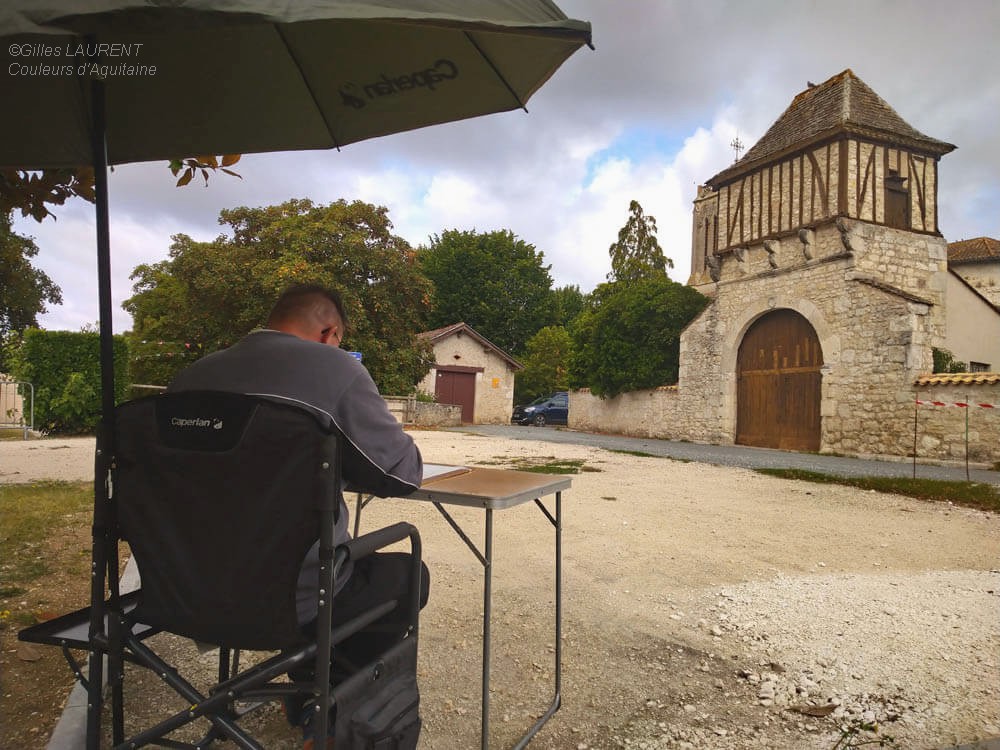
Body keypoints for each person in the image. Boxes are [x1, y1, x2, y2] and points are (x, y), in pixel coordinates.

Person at [167, 283, 429, 747]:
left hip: (180, 588)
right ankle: (329, 711)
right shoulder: (336, 369)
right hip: (295, 600)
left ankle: (309, 689)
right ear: (330, 333)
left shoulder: (192, 375)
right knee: (408, 575)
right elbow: (403, 473)